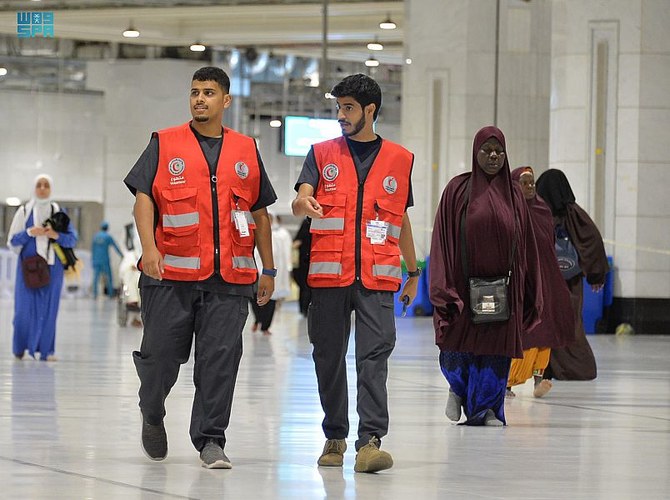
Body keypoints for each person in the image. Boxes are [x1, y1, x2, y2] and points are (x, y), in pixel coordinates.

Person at [123, 66, 277, 469]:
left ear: (226, 101)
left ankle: (211, 439)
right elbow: (144, 198)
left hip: (229, 279)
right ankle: (152, 411)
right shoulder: (164, 142)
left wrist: (270, 269)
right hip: (168, 276)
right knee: (159, 359)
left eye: (209, 92)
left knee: (220, 362)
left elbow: (259, 213)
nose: (199, 99)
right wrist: (149, 248)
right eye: (194, 92)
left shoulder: (246, 148)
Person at [292, 73, 420, 473]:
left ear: (370, 110)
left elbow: (401, 220)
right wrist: (304, 203)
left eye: (348, 108)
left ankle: (370, 442)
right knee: (327, 357)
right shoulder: (322, 153)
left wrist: (413, 272)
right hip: (330, 278)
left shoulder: (399, 160)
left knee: (373, 359)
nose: (341, 115)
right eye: (338, 108)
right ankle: (335, 436)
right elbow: (302, 196)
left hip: (377, 278)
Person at [429, 126, 542, 426]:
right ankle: (459, 388)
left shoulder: (515, 195)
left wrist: (532, 290)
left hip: (504, 289)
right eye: (487, 150)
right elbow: (443, 239)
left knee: (495, 352)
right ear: (475, 152)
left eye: (499, 151)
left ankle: (487, 410)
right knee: (455, 347)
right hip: (464, 287)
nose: (493, 156)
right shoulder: (457, 190)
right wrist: (443, 288)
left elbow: (527, 245)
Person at [506, 167, 575, 398]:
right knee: (526, 333)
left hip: (545, 277)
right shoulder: (510, 211)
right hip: (522, 280)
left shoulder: (542, 210)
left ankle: (539, 380)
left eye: (532, 183)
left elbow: (549, 244)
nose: (529, 187)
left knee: (546, 330)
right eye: (524, 183)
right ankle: (508, 382)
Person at [535, 168, 608, 381]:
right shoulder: (574, 213)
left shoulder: (539, 211)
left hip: (546, 281)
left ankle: (548, 368)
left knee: (546, 323)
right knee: (570, 323)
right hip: (571, 281)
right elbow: (592, 240)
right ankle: (574, 367)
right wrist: (596, 275)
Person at [7, 174, 78, 361]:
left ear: (51, 189)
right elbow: (12, 241)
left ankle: (46, 351)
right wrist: (30, 232)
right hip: (27, 269)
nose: (43, 188)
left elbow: (72, 239)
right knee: (23, 311)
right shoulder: (24, 212)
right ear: (34, 187)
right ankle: (19, 347)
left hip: (52, 269)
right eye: (39, 185)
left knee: (49, 310)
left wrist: (55, 235)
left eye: (46, 185)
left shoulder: (58, 212)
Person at [250, 213, 293, 334]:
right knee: (254, 297)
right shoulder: (253, 231)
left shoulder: (281, 235)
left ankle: (265, 326)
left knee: (271, 299)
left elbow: (285, 253)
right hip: (255, 270)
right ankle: (258, 320)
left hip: (273, 272)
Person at [91, 221, 123, 298]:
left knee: (95, 278)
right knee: (109, 277)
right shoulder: (108, 237)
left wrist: (92, 260)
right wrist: (122, 255)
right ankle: (110, 294)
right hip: (105, 260)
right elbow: (115, 247)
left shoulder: (95, 236)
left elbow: (93, 249)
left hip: (96, 260)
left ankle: (95, 294)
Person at [292, 217, 312, 316]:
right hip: (308, 262)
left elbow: (297, 241)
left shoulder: (306, 223)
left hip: (305, 262)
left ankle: (304, 309)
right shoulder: (307, 223)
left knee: (305, 287)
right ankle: (305, 308)